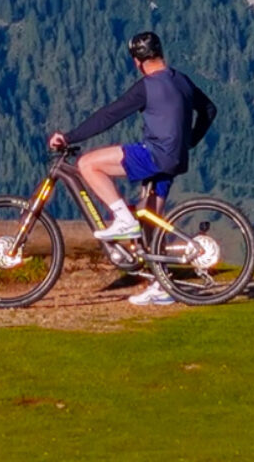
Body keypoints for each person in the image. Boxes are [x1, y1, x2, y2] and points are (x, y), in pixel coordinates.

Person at [49, 31, 217, 305]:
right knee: (151, 220)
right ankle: (163, 286)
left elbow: (109, 116)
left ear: (136, 61)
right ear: (160, 52)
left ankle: (123, 219)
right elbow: (209, 110)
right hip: (175, 158)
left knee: (88, 164)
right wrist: (190, 141)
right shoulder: (182, 80)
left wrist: (69, 137)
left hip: (154, 154)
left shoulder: (147, 86)